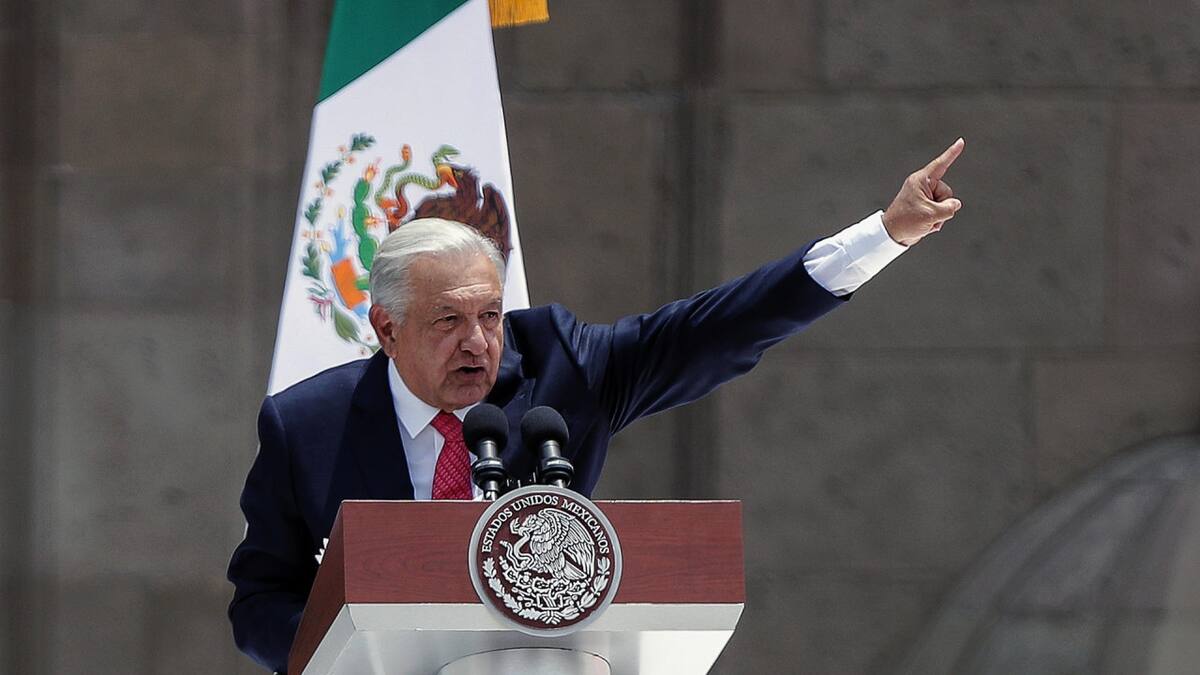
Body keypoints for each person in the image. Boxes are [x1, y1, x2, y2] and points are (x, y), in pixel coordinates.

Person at [228, 140, 966, 672]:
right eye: (448, 321)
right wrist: (336, 660)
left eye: (489, 316)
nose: (479, 343)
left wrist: (884, 235)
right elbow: (261, 597)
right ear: (387, 328)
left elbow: (716, 328)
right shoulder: (306, 425)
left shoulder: (559, 366)